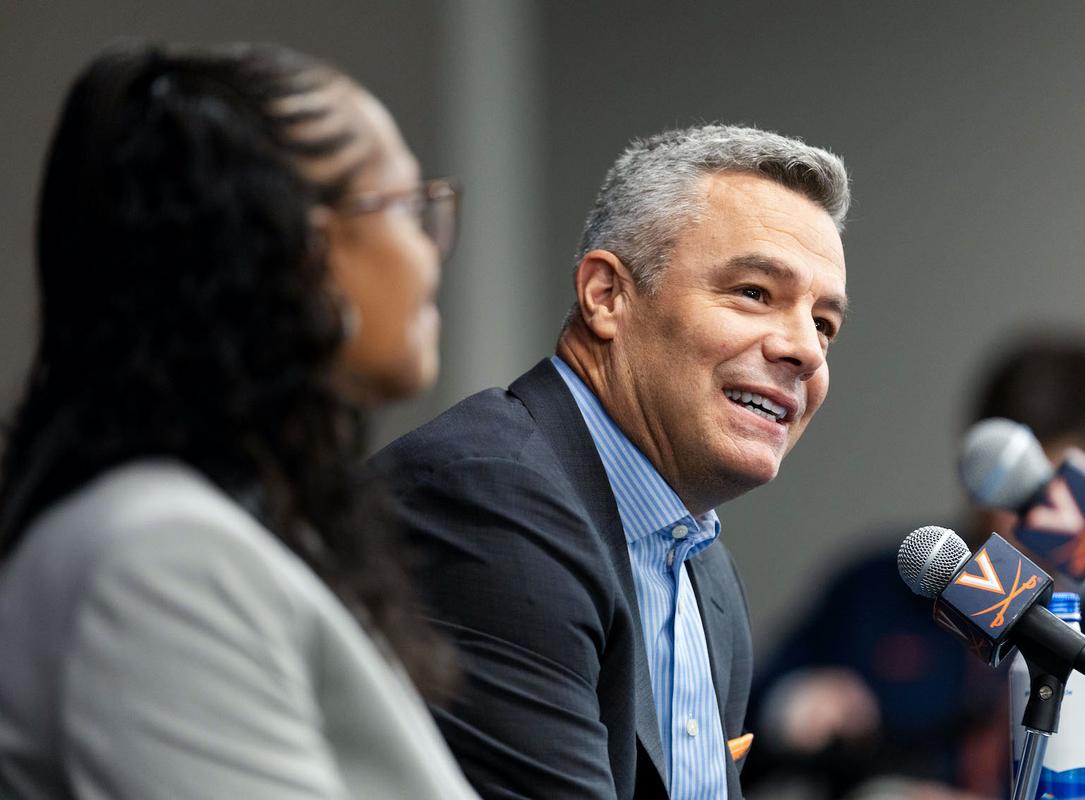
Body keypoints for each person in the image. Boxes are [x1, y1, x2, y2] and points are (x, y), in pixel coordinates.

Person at [0, 42, 478, 799]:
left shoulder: (223, 529)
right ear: (303, 250)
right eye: (405, 206)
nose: (429, 253)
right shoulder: (163, 560)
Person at [370, 124, 851, 799]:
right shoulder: (488, 500)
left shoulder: (704, 567)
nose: (807, 349)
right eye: (753, 292)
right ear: (606, 296)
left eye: (825, 324)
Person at [745, 333, 1085, 798]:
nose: (1004, 514)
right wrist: (793, 703)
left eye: (1037, 487)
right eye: (993, 480)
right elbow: (742, 714)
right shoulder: (891, 578)